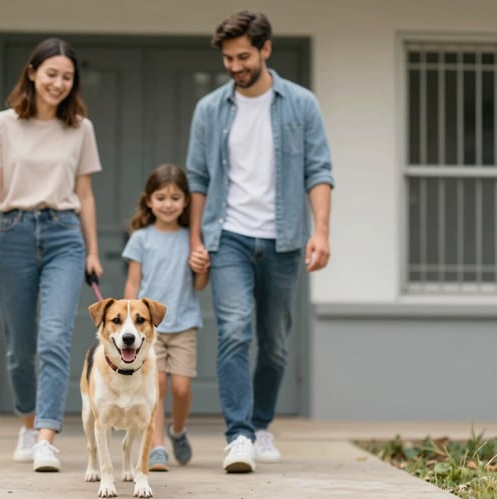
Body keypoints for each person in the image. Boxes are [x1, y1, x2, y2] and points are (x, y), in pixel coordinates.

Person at [185, 10, 335, 473]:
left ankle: (261, 422)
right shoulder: (210, 109)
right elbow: (197, 177)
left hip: (284, 240)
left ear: (266, 49)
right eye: (228, 58)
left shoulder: (301, 104)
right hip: (228, 236)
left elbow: (319, 170)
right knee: (233, 330)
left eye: (243, 56)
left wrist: (322, 230)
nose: (235, 66)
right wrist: (196, 239)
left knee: (273, 342)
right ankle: (239, 436)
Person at [0, 37, 103, 473]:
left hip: (65, 234)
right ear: (31, 72)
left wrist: (93, 251)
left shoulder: (80, 127)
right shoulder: (2, 125)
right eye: (51, 74)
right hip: (12, 233)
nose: (59, 83)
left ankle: (47, 436)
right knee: (19, 347)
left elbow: (84, 193)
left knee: (55, 336)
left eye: (67, 77)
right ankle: (27, 423)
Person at [122, 164, 209, 472]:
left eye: (175, 197)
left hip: (184, 323)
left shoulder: (192, 238)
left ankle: (178, 431)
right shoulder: (141, 239)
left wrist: (202, 268)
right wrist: (130, 321)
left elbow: (199, 286)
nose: (168, 204)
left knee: (182, 388)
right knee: (156, 384)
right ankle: (157, 446)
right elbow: (133, 284)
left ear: (186, 201)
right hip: (149, 331)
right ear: (149, 201)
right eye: (161, 197)